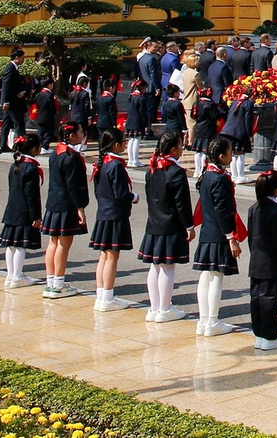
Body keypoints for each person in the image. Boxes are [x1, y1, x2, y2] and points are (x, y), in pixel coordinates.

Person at [139, 132, 195, 322]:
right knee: (167, 267)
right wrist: (189, 225)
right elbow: (182, 203)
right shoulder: (175, 172)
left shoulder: (152, 168)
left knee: (155, 266)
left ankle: (154, 308)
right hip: (171, 224)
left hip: (154, 222)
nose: (182, 148)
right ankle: (164, 308)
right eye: (180, 145)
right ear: (173, 149)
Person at [192, 137, 245, 335]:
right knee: (216, 277)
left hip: (208, 231)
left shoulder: (207, 175)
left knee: (206, 275)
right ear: (221, 156)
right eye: (230, 153)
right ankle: (212, 321)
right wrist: (232, 237)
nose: (232, 156)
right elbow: (223, 211)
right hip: (219, 234)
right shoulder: (220, 179)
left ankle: (203, 320)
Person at [89, 127, 136, 311]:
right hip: (115, 215)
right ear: (116, 145)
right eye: (124, 142)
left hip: (103, 213)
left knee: (103, 255)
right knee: (111, 257)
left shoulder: (103, 163)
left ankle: (101, 295)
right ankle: (107, 296)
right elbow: (121, 193)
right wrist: (134, 197)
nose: (125, 144)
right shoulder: (115, 165)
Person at [248, 168, 277, 349]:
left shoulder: (254, 209)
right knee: (270, 298)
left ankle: (259, 333)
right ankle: (270, 336)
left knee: (256, 298)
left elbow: (251, 238)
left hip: (256, 260)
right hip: (271, 263)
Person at [41, 123, 90, 297]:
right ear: (71, 136)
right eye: (80, 132)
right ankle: (59, 283)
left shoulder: (56, 153)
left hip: (54, 202)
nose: (82, 134)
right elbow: (74, 185)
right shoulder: (71, 157)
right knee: (64, 243)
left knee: (53, 242)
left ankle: (50, 282)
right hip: (67, 204)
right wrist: (80, 208)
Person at [0, 134, 44, 287]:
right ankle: (17, 276)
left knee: (11, 245)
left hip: (12, 209)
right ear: (34, 149)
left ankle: (11, 275)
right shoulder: (31, 167)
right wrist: (36, 215)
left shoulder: (15, 165)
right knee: (21, 246)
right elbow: (32, 195)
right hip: (24, 212)